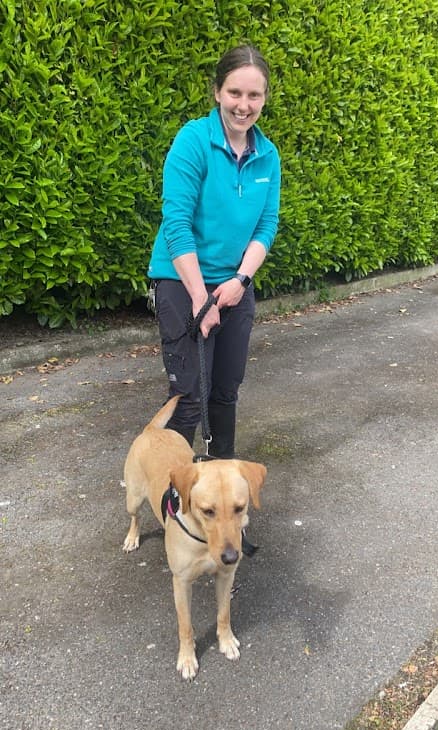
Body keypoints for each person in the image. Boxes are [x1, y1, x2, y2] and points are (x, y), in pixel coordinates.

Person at [148, 44, 281, 457]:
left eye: (253, 95)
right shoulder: (193, 141)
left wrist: (241, 280)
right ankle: (177, 496)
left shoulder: (268, 156)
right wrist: (200, 298)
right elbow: (177, 224)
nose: (244, 105)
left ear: (264, 98)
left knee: (225, 391)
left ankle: (220, 491)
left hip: (234, 284)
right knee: (188, 396)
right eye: (235, 93)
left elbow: (266, 225)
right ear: (217, 93)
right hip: (181, 278)